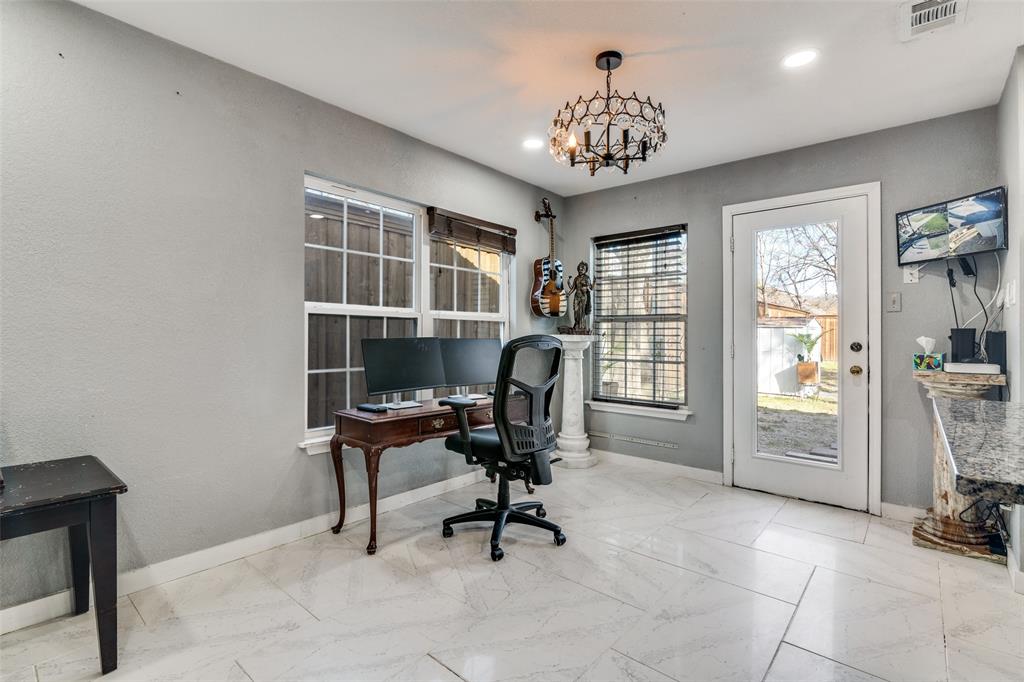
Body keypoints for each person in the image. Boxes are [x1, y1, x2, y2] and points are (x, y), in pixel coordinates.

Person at [566, 261, 594, 332]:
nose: (581, 269)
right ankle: (576, 324)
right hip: (576, 297)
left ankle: (582, 327)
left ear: (585, 270)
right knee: (576, 312)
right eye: (580, 268)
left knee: (582, 312)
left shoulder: (587, 278)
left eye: (583, 268)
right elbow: (573, 288)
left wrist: (594, 282)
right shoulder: (576, 278)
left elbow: (591, 288)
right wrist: (568, 293)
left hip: (583, 297)